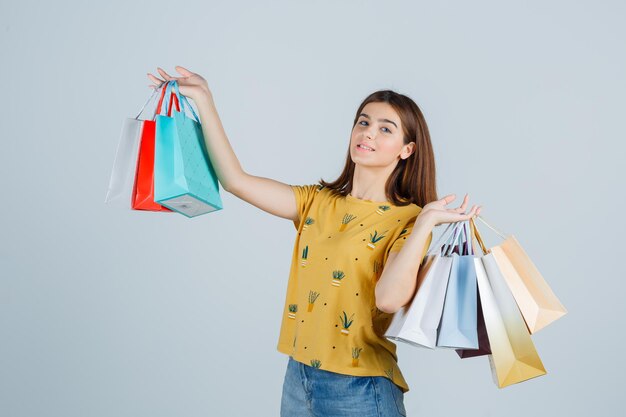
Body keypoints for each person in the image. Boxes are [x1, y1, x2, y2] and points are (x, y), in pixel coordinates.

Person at [147, 66, 482, 417]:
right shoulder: (316, 201)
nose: (368, 133)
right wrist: (203, 99)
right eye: (363, 122)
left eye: (386, 129)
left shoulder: (408, 219)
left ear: (407, 149)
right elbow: (235, 181)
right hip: (298, 378)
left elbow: (389, 300)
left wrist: (425, 222)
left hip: (361, 388)